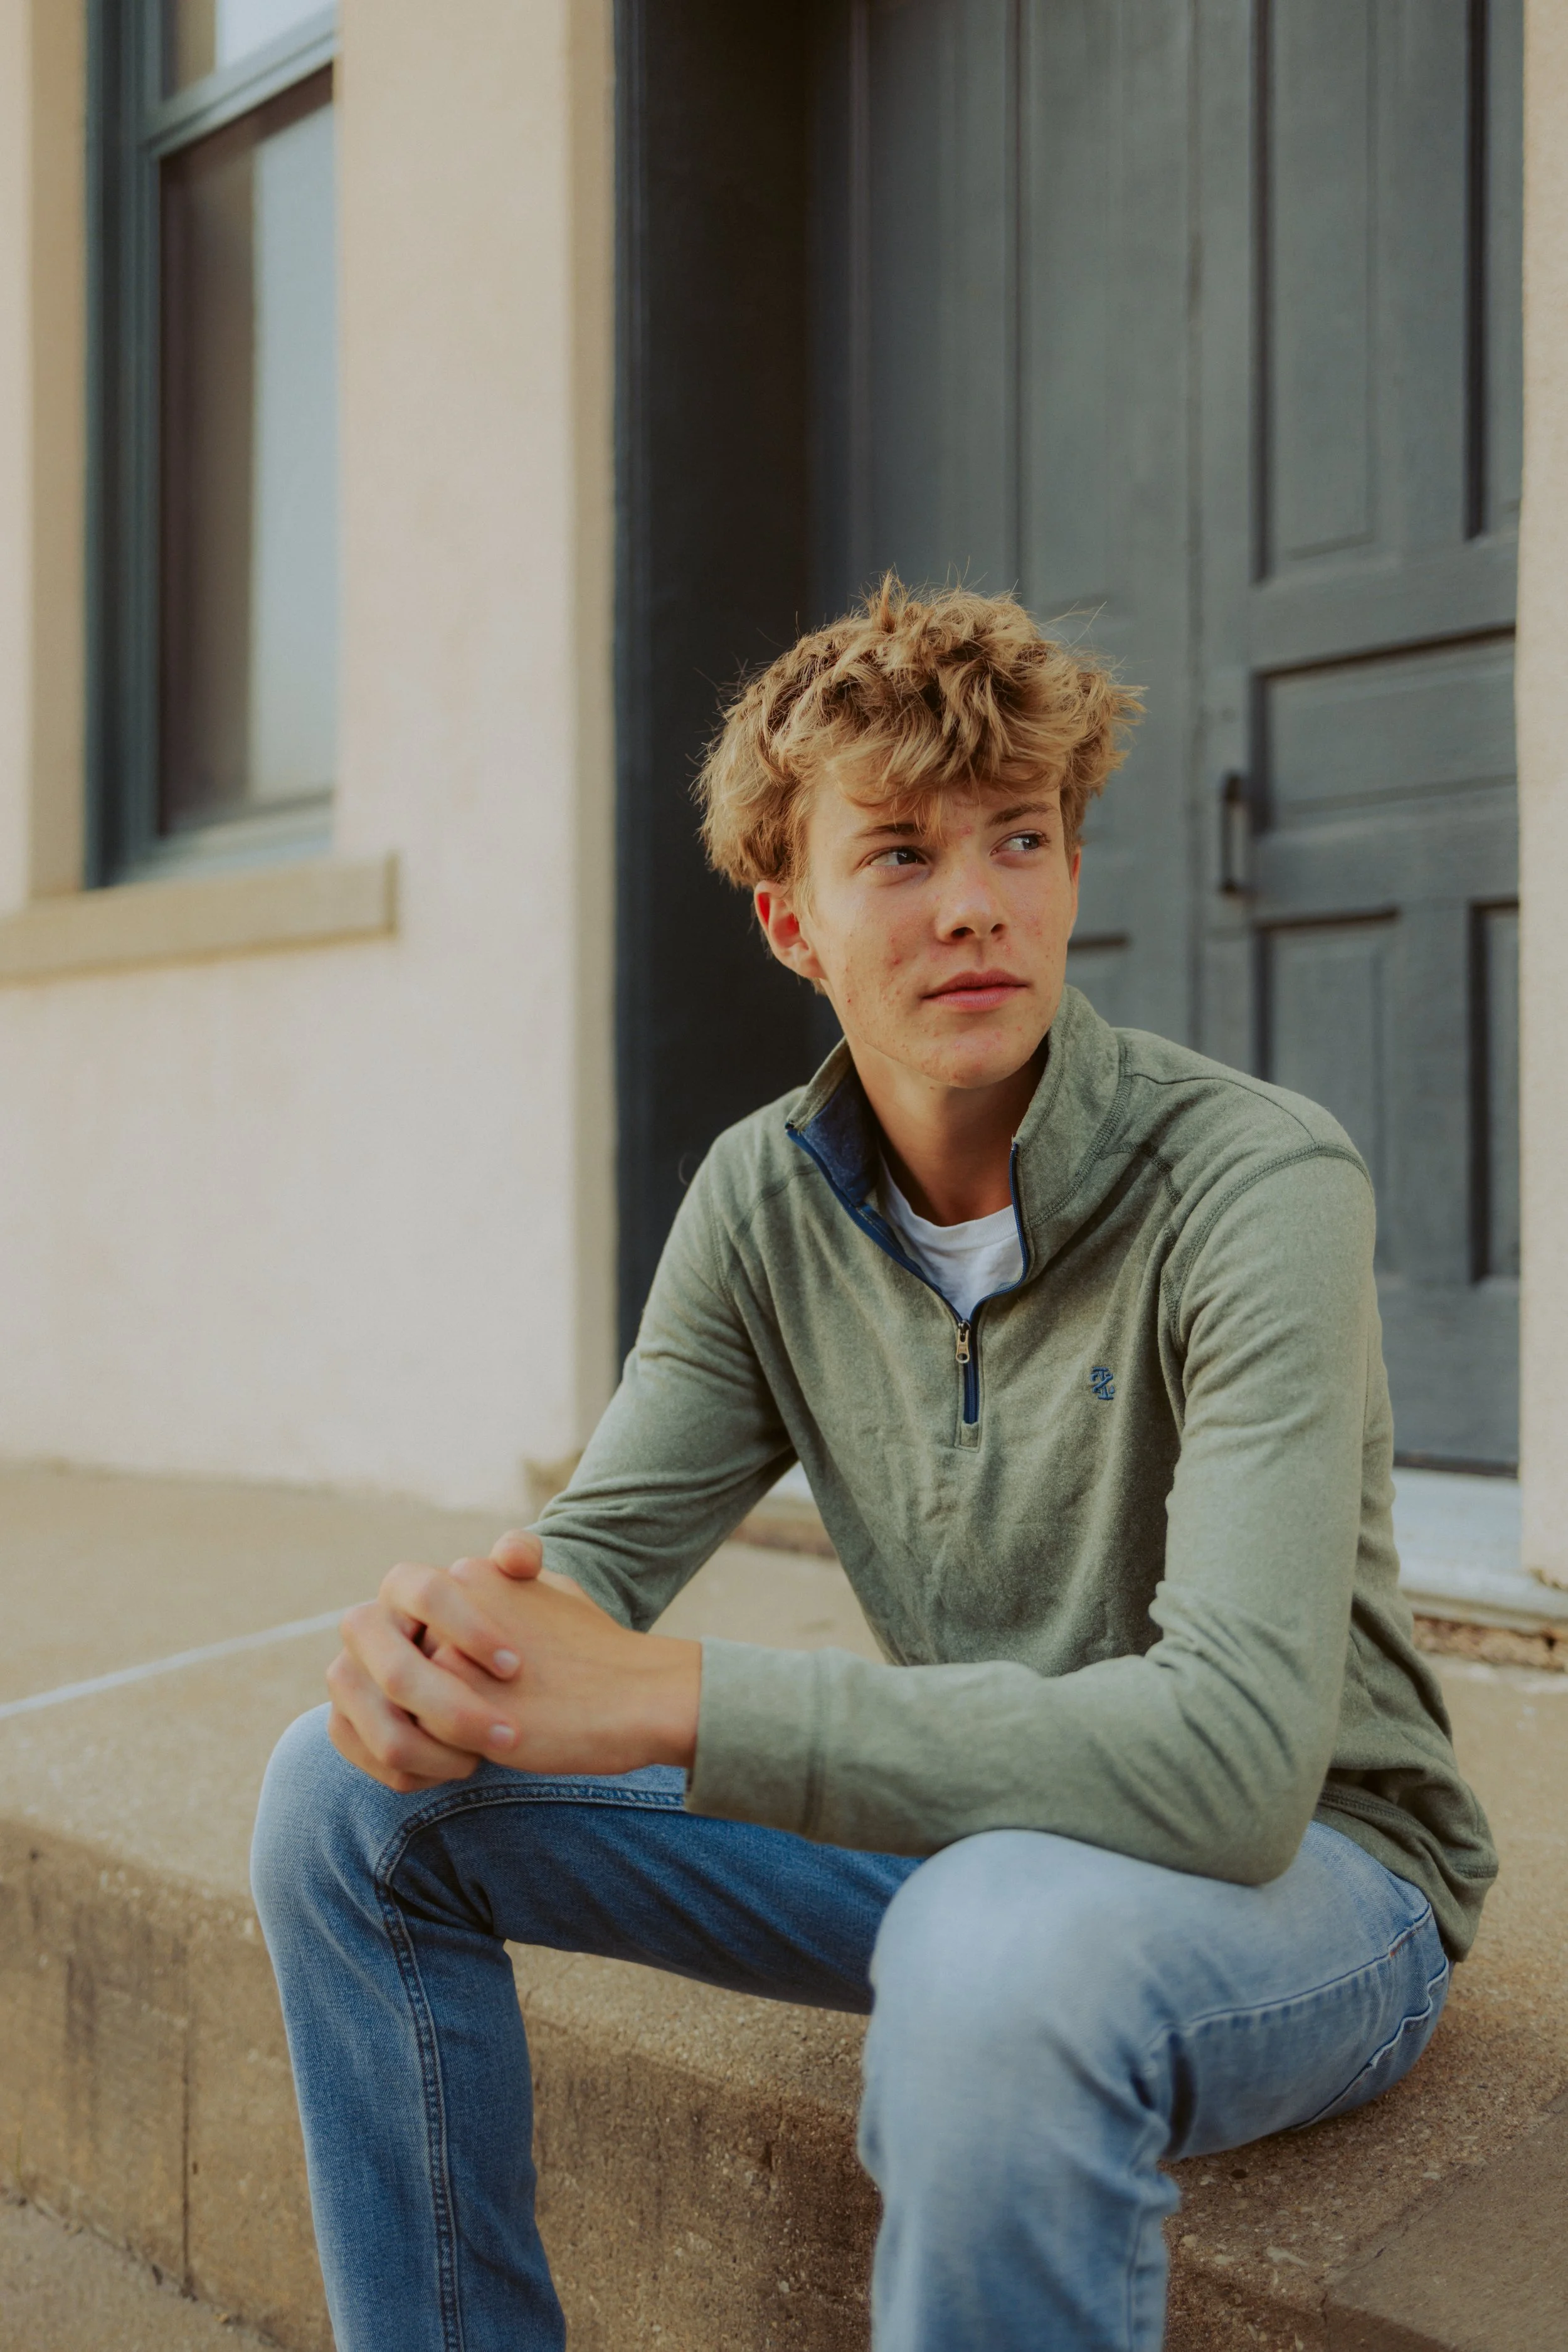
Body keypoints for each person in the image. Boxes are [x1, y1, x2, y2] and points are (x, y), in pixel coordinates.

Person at [252, 580, 1496, 2352]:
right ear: (792, 923)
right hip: (970, 1829)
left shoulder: (1251, 1178)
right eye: (899, 854)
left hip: (1307, 1881)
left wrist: (680, 1694)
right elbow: (590, 1561)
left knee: (994, 1945)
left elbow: (1230, 1767)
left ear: (1069, 867)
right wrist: (451, 1658)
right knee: (339, 1794)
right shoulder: (762, 1199)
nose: (975, 900)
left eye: (1019, 836)